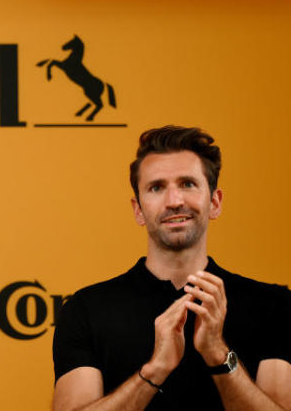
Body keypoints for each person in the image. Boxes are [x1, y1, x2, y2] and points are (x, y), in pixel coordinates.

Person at [52, 125, 291, 411]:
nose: (174, 201)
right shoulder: (86, 309)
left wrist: (217, 352)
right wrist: (154, 370)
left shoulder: (275, 306)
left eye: (188, 184)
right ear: (138, 210)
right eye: (156, 188)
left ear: (214, 202)